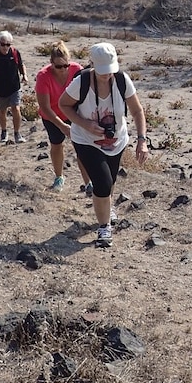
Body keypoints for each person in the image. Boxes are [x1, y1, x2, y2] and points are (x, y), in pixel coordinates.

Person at [58, 42, 149, 248]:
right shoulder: (81, 82)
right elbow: (64, 104)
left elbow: (137, 111)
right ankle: (104, 227)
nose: (107, 75)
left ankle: (106, 207)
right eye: (102, 72)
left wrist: (142, 141)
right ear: (92, 65)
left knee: (110, 180)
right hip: (85, 139)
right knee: (102, 182)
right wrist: (85, 124)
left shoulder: (121, 80)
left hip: (117, 140)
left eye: (110, 71)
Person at [34, 41, 91, 192]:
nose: (63, 69)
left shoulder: (77, 70)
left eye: (65, 65)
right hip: (51, 115)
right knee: (57, 144)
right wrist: (61, 126)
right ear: (51, 63)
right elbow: (45, 107)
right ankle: (59, 177)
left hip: (72, 113)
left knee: (81, 146)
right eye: (58, 66)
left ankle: (88, 183)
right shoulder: (43, 76)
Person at [0, 30, 27, 144]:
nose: (5, 47)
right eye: (3, 44)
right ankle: (4, 131)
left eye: (8, 44)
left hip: (14, 87)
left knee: (16, 108)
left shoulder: (15, 52)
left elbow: (21, 64)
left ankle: (17, 133)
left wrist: (24, 75)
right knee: (2, 111)